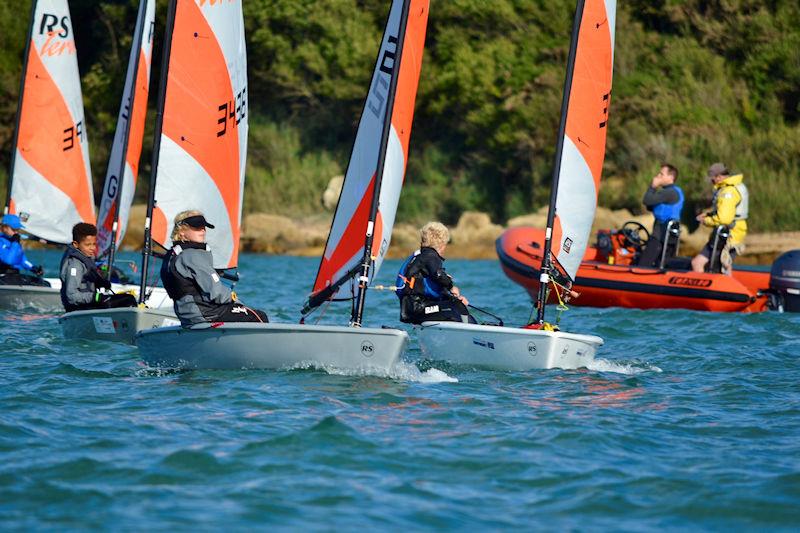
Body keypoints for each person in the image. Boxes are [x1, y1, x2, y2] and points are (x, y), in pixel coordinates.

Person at [161, 210, 268, 327]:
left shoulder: (172, 255)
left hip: (186, 315)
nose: (202, 230)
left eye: (203, 227)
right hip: (207, 313)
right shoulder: (193, 255)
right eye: (196, 227)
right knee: (259, 316)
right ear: (181, 231)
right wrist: (235, 300)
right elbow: (216, 293)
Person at [396, 221, 476, 324]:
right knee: (456, 305)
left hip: (410, 309)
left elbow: (429, 286)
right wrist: (451, 287)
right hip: (419, 308)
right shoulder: (431, 256)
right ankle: (476, 334)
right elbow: (438, 275)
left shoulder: (418, 257)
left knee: (452, 303)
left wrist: (450, 295)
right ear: (441, 243)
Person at [59, 222, 137, 312]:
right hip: (78, 308)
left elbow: (87, 278)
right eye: (88, 245)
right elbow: (71, 296)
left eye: (94, 244)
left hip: (88, 304)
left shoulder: (87, 257)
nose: (92, 248)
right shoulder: (75, 266)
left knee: (128, 298)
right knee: (127, 301)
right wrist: (95, 297)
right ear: (76, 244)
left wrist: (100, 282)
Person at [691, 163, 748, 274]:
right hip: (726, 233)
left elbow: (724, 219)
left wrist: (706, 221)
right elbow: (727, 211)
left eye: (712, 178)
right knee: (701, 264)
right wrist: (709, 215)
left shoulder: (728, 192)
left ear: (719, 177)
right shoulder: (729, 188)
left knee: (716, 267)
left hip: (729, 235)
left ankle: (714, 289)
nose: (711, 182)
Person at [637, 163, 684, 267]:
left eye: (661, 174)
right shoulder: (668, 192)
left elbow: (647, 200)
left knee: (643, 264)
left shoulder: (670, 193)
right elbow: (651, 205)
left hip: (661, 235)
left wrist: (652, 187)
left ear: (671, 177)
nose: (658, 176)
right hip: (664, 234)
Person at [0, 214, 47, 285]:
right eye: (13, 229)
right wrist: (15, 243)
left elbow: (22, 260)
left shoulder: (14, 241)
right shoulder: (3, 242)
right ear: (4, 228)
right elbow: (9, 261)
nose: (16, 232)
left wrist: (33, 268)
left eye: (17, 229)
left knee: (44, 284)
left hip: (13, 276)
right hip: (2, 275)